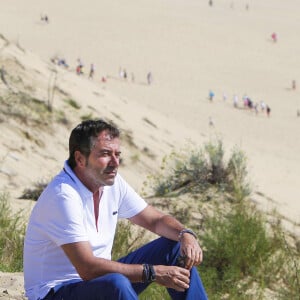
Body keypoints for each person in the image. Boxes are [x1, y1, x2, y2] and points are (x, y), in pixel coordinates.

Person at [23, 119, 208, 300]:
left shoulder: (111, 184)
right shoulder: (64, 195)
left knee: (173, 246)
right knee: (116, 283)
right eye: (105, 154)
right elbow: (87, 268)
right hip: (56, 292)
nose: (115, 162)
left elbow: (155, 220)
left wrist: (186, 234)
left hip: (100, 283)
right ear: (80, 158)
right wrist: (153, 272)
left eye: (117, 154)